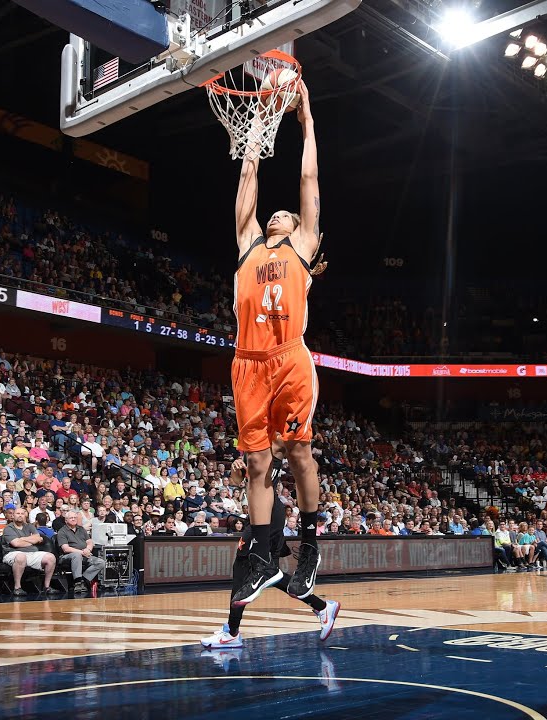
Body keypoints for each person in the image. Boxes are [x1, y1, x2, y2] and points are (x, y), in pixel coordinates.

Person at [228, 79, 326, 607]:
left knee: (299, 452)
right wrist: (258, 128)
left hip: (289, 358)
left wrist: (305, 119)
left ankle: (309, 546)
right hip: (247, 362)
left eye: (284, 215)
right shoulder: (248, 245)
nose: (275, 215)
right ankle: (264, 558)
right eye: (274, 214)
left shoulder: (302, 245)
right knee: (257, 464)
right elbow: (248, 181)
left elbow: (308, 176)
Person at [201, 450, 340, 649]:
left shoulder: (272, 443)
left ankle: (232, 632)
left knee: (243, 565)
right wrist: (237, 470)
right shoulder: (250, 446)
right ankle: (322, 607)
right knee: (267, 571)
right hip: (261, 513)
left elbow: (301, 465)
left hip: (269, 513)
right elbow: (237, 481)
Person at [56, 509, 107, 598]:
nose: (73, 519)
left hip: (84, 554)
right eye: (71, 518)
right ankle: (77, 582)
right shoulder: (62, 531)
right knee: (77, 555)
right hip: (67, 556)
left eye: (75, 517)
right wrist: (82, 552)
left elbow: (90, 542)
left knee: (101, 562)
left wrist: (88, 549)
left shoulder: (81, 529)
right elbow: (66, 549)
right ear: (66, 520)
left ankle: (84, 580)